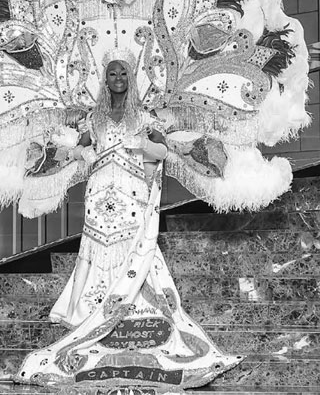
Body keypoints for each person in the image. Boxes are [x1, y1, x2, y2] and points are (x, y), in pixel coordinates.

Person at [15, 60, 242, 390]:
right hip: (99, 192)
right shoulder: (94, 117)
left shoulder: (144, 115)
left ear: (131, 78)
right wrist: (84, 155)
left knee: (134, 248)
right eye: (112, 73)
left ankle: (136, 310)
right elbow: (80, 148)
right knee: (99, 246)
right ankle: (93, 309)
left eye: (123, 73)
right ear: (105, 79)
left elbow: (161, 150)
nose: (118, 78)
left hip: (132, 191)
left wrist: (144, 146)